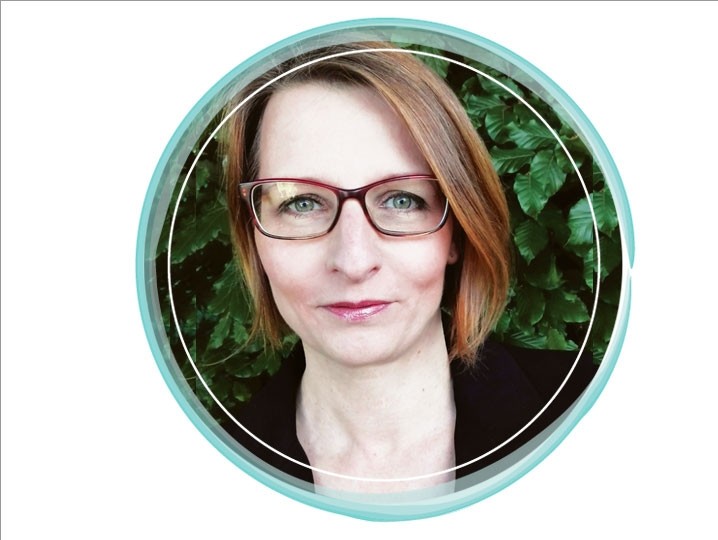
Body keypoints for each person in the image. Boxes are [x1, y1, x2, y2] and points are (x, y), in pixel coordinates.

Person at [220, 42, 597, 494]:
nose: (354, 262)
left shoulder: (594, 411)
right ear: (253, 235)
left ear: (457, 231)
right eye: (301, 203)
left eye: (402, 200)